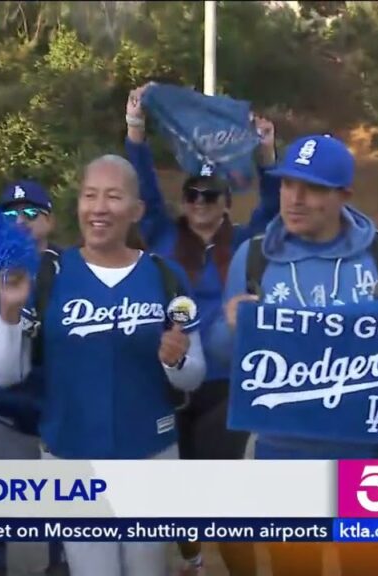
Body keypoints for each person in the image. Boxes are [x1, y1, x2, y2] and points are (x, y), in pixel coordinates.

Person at [208, 135, 378, 576]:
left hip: (366, 458)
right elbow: (220, 354)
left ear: (343, 195)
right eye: (288, 184)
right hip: (282, 453)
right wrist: (232, 327)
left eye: (312, 188)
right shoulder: (253, 260)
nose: (295, 198)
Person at [0, 155, 207, 576]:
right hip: (73, 457)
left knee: (146, 570)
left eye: (113, 196)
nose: (99, 207)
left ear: (136, 210)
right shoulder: (48, 274)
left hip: (150, 454)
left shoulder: (164, 276)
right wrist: (9, 313)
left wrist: (177, 360)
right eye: (90, 196)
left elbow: (193, 373)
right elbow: (5, 374)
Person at [125, 84, 279, 576]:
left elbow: (274, 207)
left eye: (210, 195)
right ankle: (191, 558)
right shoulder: (166, 237)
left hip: (225, 383)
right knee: (178, 484)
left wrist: (267, 152)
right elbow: (144, 191)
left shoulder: (249, 241)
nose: (200, 202)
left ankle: (242, 568)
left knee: (223, 490)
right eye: (192, 194)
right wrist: (135, 130)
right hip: (167, 379)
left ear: (225, 201)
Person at [0, 180, 69, 576]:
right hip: (4, 406)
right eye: (10, 214)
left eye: (31, 213)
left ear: (50, 220)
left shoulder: (70, 266)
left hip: (55, 407)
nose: (20, 221)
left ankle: (59, 557)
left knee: (62, 496)